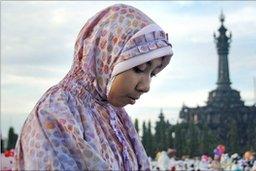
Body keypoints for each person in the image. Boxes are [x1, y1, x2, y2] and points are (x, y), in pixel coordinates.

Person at [13, 3, 173, 170]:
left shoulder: (116, 117)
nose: (146, 86)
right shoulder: (53, 114)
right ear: (105, 57)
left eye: (153, 73)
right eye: (139, 68)